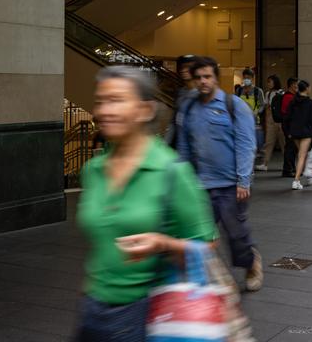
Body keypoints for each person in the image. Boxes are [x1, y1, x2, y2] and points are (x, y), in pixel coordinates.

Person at [74, 66, 218, 340]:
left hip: (146, 314)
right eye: (101, 101)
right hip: (92, 309)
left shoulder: (172, 172)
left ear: (145, 109)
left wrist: (162, 244)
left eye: (116, 100)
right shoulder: (93, 170)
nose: (104, 110)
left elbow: (207, 244)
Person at [176, 56, 263, 292]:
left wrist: (243, 180)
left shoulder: (234, 106)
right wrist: (182, 181)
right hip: (199, 185)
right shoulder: (188, 107)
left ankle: (251, 262)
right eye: (199, 78)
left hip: (231, 184)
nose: (203, 81)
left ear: (216, 78)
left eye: (207, 76)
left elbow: (246, 145)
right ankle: (216, 278)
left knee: (236, 234)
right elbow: (184, 147)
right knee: (200, 235)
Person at [284, 80, 312, 190]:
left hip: (294, 132)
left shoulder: (293, 101)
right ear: (307, 88)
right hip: (306, 132)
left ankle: (307, 175)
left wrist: (288, 132)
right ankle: (297, 180)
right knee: (302, 155)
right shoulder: (310, 103)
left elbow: (287, 118)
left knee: (302, 155)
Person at [165, 54, 197, 147]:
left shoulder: (203, 94)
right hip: (179, 143)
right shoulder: (181, 93)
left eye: (188, 67)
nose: (184, 70)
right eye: (182, 67)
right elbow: (174, 121)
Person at [236, 68, 266, 164]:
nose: (246, 79)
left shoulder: (258, 91)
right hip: (241, 122)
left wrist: (256, 112)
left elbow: (262, 105)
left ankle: (252, 163)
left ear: (252, 78)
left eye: (248, 78)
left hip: (254, 122)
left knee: (255, 145)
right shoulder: (239, 90)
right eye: (244, 77)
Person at [256, 75, 285, 171]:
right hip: (270, 121)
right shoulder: (268, 93)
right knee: (269, 142)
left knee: (283, 143)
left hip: (280, 121)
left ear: (275, 82)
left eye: (270, 82)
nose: (268, 84)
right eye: (268, 82)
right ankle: (265, 163)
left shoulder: (281, 93)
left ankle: (287, 163)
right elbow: (265, 106)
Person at [281, 77, 299, 177]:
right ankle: (287, 170)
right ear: (292, 85)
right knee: (290, 148)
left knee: (291, 147)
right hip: (289, 125)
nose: (298, 86)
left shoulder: (292, 96)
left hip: (290, 124)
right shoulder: (288, 97)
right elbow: (288, 113)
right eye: (296, 84)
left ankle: (291, 168)